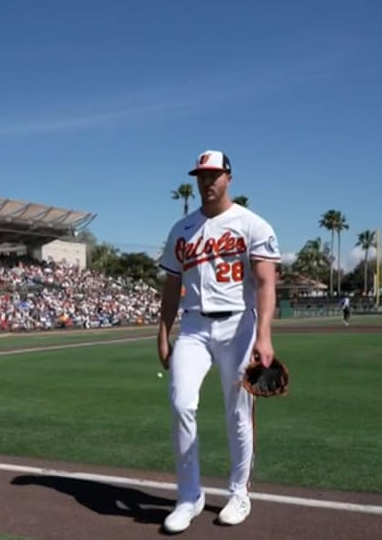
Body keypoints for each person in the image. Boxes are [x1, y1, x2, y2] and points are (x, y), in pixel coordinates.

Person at [157, 149, 281, 534]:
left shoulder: (252, 225)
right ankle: (189, 497)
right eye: (201, 175)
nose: (207, 182)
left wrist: (264, 336)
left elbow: (265, 283)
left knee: (238, 413)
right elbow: (172, 286)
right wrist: (163, 333)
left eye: (214, 175)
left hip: (238, 327)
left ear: (229, 177)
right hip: (193, 327)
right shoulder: (182, 230)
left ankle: (239, 493)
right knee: (181, 403)